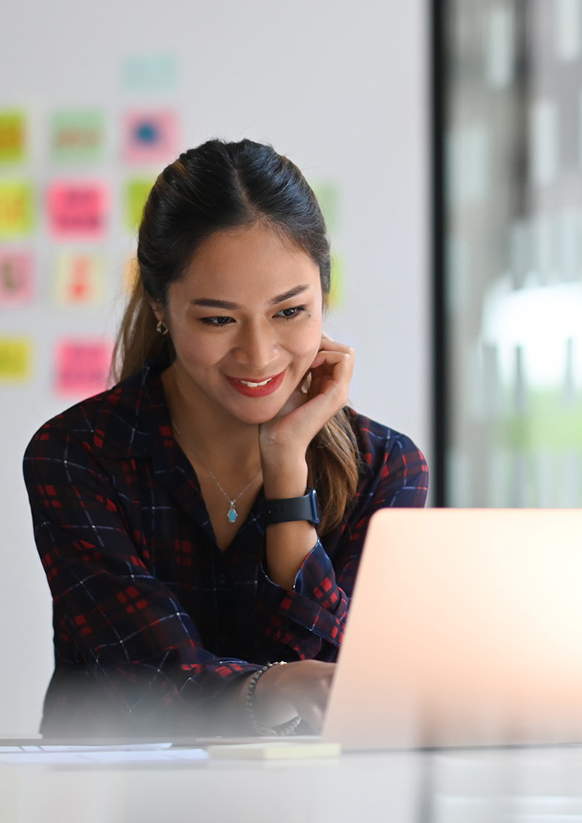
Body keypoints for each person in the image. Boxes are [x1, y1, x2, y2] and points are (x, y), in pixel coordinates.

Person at [23, 139, 428, 737]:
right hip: (112, 811)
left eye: (290, 312)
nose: (258, 354)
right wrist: (273, 688)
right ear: (160, 307)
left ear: (323, 293)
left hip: (308, 816)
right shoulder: (80, 455)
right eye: (218, 320)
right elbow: (151, 682)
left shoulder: (386, 469)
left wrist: (289, 468)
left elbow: (340, 702)